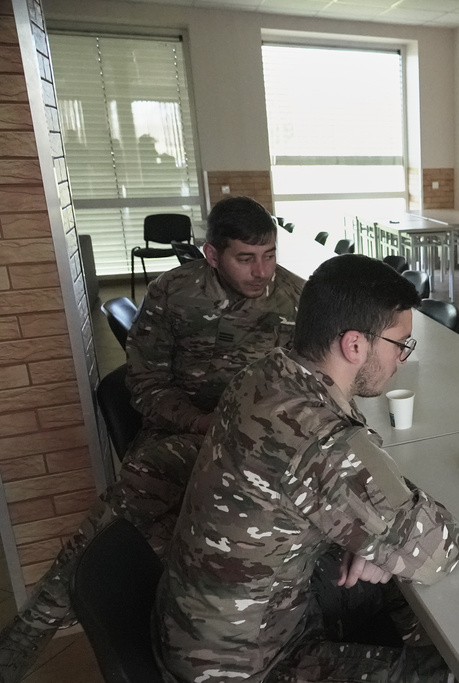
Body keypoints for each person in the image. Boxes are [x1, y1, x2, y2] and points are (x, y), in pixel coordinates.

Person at [0, 196, 304, 682]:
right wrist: (200, 423)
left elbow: (307, 385)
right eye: (245, 258)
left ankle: (187, 648)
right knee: (119, 523)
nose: (261, 271)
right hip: (181, 435)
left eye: (269, 254)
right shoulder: (174, 293)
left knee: (178, 543)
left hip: (253, 449)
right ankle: (34, 627)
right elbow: (144, 383)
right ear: (212, 255)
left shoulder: (294, 296)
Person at [153, 254, 459, 682]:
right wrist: (383, 532)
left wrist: (374, 534)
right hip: (249, 664)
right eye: (400, 344)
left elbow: (352, 492)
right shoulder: (321, 440)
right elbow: (438, 550)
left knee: (392, 583)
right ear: (355, 345)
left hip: (203, 626)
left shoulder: (266, 372)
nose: (403, 359)